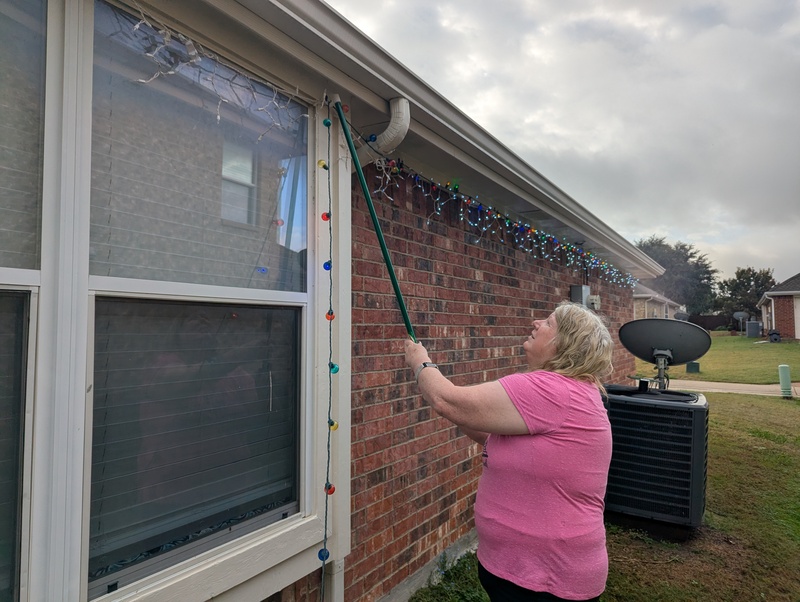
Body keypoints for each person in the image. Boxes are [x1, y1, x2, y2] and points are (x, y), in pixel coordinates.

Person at [404, 301, 614, 602]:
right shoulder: (567, 391)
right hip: (521, 572)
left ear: (564, 344)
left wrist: (419, 361)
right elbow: (490, 433)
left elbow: (449, 400)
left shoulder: (553, 389)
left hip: (547, 580)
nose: (536, 323)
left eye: (549, 323)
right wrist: (458, 412)